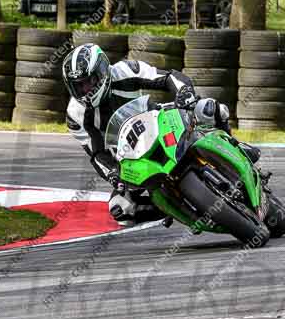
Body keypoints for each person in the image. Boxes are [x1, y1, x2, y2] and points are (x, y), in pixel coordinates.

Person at [61, 43, 259, 227]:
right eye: (79, 86)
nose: (85, 90)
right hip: (130, 155)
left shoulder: (125, 71)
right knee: (121, 210)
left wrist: (184, 92)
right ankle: (174, 207)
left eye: (89, 82)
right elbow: (96, 154)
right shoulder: (75, 114)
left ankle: (237, 147)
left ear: (103, 71)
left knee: (210, 108)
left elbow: (167, 78)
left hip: (157, 121)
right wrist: (114, 174)